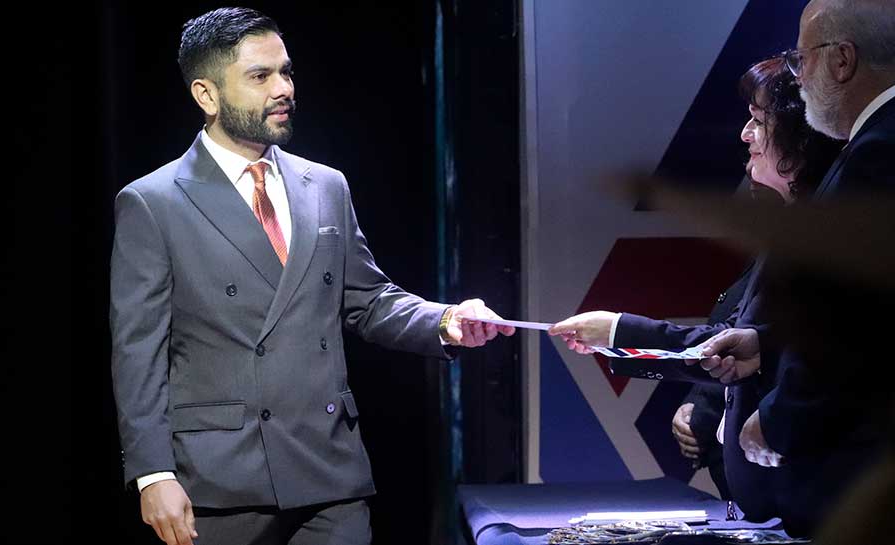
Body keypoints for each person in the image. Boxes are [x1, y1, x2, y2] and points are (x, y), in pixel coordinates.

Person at [109, 8, 514, 545]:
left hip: (329, 469)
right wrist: (153, 474)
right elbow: (138, 351)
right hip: (219, 478)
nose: (283, 89)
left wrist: (444, 321)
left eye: (286, 72)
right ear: (206, 95)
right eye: (260, 76)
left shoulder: (324, 185)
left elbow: (368, 300)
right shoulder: (154, 202)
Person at [549, 56, 843, 521]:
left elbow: (800, 355)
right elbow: (746, 341)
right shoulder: (789, 233)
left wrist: (619, 332)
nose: (745, 135)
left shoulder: (823, 240)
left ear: (800, 133)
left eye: (759, 120)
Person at [695, 0, 895, 535]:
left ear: (842, 60)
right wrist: (766, 344)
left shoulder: (881, 149)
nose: (798, 75)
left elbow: (856, 320)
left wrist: (781, 418)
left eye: (801, 58)